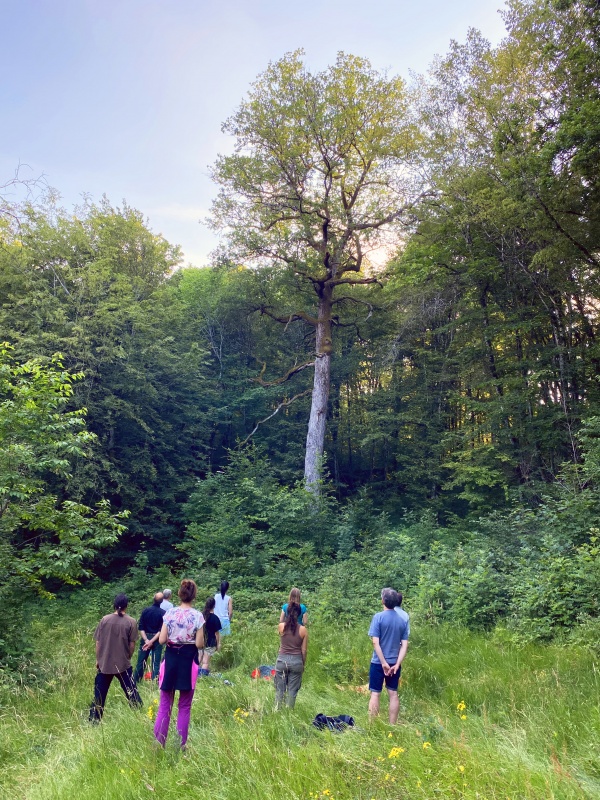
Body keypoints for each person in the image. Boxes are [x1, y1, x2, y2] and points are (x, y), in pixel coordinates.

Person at [154, 579, 204, 749]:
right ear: (194, 595)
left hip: (170, 659)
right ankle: (180, 745)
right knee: (184, 705)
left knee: (165, 704)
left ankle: (159, 742)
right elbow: (199, 644)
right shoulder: (198, 616)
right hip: (188, 660)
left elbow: (161, 640)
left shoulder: (169, 614)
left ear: (179, 594)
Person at [89, 593, 142, 722]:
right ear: (126, 606)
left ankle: (94, 720)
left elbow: (98, 642)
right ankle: (139, 714)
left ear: (114, 604)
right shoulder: (131, 622)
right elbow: (132, 644)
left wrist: (99, 659)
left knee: (99, 694)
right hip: (123, 664)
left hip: (105, 663)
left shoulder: (104, 620)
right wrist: (127, 657)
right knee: (131, 691)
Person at [367, 588, 409, 725]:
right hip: (394, 663)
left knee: (375, 694)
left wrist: (383, 662)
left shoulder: (378, 617)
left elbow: (375, 642)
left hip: (378, 663)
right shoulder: (402, 620)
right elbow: (404, 645)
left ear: (383, 601)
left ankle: (372, 726)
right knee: (393, 693)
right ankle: (392, 725)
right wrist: (397, 664)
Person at [274, 602, 308, 709]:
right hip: (296, 661)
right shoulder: (303, 630)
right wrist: (302, 664)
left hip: (282, 661)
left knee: (280, 690)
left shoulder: (281, 627)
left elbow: (281, 643)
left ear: (287, 613)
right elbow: (304, 650)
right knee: (292, 691)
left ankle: (277, 712)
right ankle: (289, 713)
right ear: (299, 615)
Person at [133, 592, 166, 683]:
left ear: (153, 599)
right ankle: (155, 681)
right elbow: (161, 630)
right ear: (162, 601)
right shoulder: (163, 613)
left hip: (145, 637)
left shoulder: (145, 611)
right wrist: (152, 641)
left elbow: (141, 627)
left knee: (141, 661)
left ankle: (136, 680)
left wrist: (146, 640)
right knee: (155, 662)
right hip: (157, 639)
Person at [198, 596, 222, 676]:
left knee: (199, 659)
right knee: (205, 661)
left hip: (200, 641)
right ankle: (202, 677)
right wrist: (218, 644)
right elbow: (217, 633)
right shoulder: (215, 618)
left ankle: (194, 675)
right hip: (210, 642)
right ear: (214, 606)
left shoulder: (201, 616)